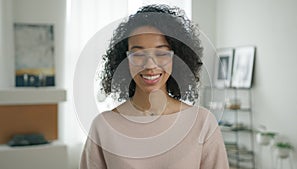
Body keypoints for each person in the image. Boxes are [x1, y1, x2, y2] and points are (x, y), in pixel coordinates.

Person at [80, 4, 229, 169]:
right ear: (124, 60)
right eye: (138, 54)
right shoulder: (103, 126)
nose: (150, 65)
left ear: (177, 58)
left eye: (161, 53)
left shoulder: (203, 123)